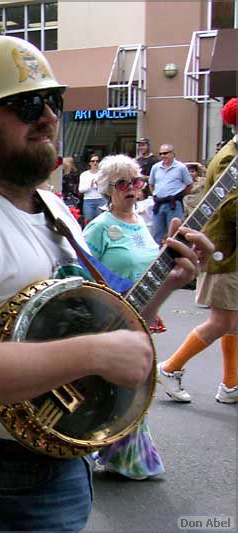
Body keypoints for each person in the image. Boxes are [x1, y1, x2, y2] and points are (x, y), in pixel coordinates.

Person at [0, 36, 212, 532]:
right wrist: (94, 355)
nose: (47, 116)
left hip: (53, 461)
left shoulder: (48, 207)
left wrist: (166, 281)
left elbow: (96, 320)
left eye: (53, 101)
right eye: (26, 105)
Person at [82, 154, 164, 480]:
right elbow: (81, 268)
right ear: (108, 189)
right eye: (122, 184)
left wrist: (154, 308)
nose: (131, 189)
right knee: (118, 388)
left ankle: (124, 454)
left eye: (136, 182)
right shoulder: (100, 227)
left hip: (141, 316)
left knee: (134, 385)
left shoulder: (142, 220)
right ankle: (104, 451)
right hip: (109, 318)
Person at [158, 97, 238, 404]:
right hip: (224, 252)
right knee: (223, 321)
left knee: (232, 320)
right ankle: (171, 366)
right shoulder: (231, 157)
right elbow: (233, 207)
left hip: (224, 250)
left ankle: (230, 385)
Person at [149, 143, 193, 244]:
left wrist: (178, 195)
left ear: (172, 153)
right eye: (161, 154)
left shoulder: (181, 167)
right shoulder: (155, 167)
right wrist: (155, 195)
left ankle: (173, 256)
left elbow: (189, 185)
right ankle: (157, 257)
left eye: (165, 153)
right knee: (157, 233)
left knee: (174, 234)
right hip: (159, 204)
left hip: (173, 204)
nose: (163, 156)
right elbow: (151, 184)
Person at [78, 154, 105, 224]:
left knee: (100, 222)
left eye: (97, 161)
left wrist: (99, 185)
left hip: (101, 200)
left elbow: (107, 188)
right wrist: (90, 186)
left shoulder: (103, 174)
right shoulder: (84, 175)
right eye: (93, 161)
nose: (95, 163)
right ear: (89, 163)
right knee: (88, 222)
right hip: (88, 201)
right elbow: (80, 190)